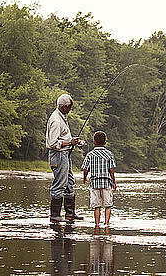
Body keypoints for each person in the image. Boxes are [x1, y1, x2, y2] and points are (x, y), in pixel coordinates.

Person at [46, 93, 83, 222]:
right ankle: (55, 215)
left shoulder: (62, 117)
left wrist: (74, 141)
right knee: (60, 184)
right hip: (58, 155)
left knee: (69, 183)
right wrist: (69, 143)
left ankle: (70, 214)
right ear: (63, 107)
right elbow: (53, 143)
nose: (70, 110)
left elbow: (63, 137)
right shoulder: (56, 120)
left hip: (65, 154)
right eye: (69, 108)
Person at [82, 131, 117, 225]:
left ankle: (97, 224)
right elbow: (111, 170)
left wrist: (84, 178)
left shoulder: (90, 154)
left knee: (96, 206)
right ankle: (106, 224)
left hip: (94, 183)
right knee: (108, 205)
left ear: (94, 142)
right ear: (105, 142)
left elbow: (85, 169)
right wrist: (114, 182)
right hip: (106, 182)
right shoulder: (109, 154)